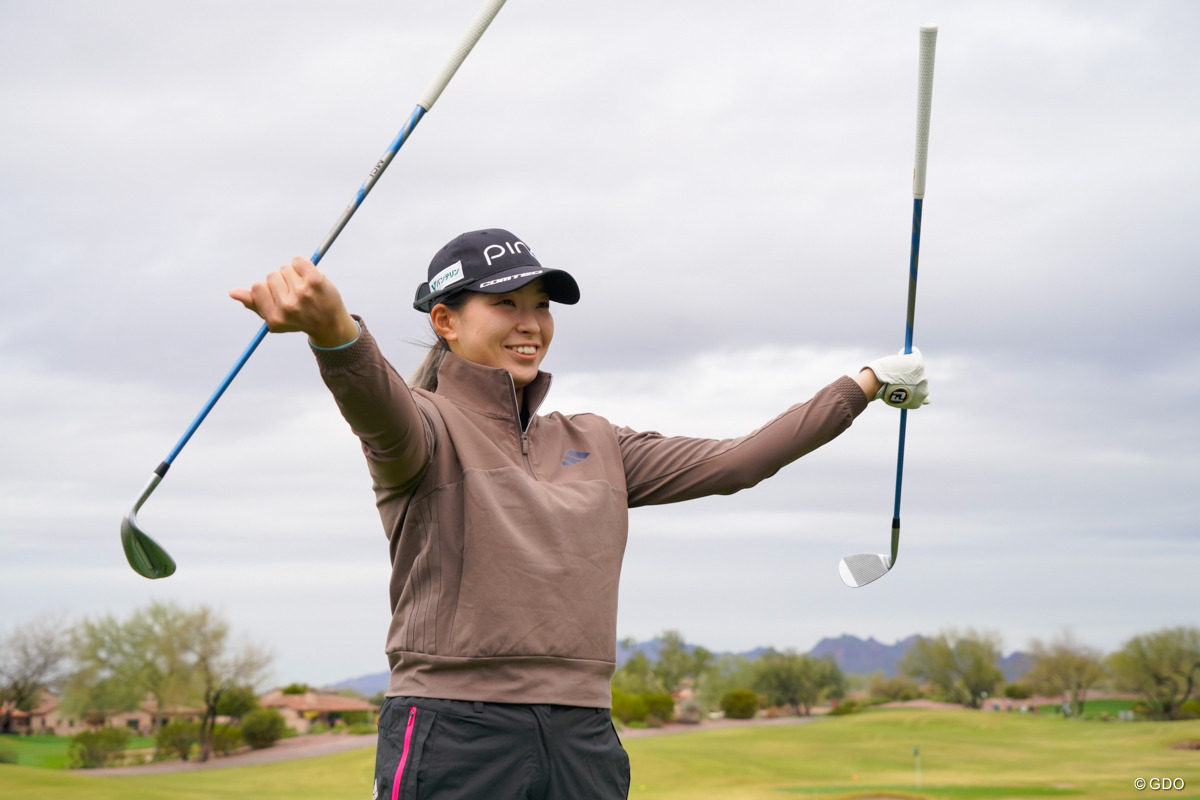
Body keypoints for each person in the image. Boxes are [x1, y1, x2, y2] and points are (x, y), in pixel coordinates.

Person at [231, 228, 929, 800]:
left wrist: (862, 385)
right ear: (444, 321)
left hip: (583, 735)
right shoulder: (425, 427)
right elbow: (374, 403)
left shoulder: (595, 441)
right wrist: (337, 335)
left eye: (541, 304)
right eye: (506, 304)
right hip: (455, 732)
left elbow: (737, 462)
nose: (531, 323)